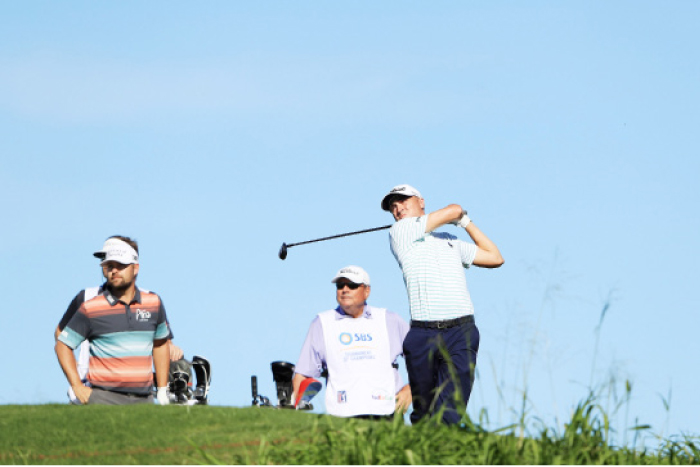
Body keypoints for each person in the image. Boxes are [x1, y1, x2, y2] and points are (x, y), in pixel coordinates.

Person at [381, 184, 504, 425]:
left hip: (461, 332)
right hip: (423, 334)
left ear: (421, 202)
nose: (398, 209)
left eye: (404, 201)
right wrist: (456, 214)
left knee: (450, 412)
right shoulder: (400, 232)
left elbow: (495, 257)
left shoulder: (449, 241)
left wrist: (465, 223)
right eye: (393, 207)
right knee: (424, 415)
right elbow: (453, 209)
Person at [54, 236, 184, 404]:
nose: (112, 270)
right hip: (97, 387)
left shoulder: (152, 301)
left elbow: (160, 342)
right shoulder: (88, 300)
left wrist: (162, 391)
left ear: (134, 267)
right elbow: (62, 338)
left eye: (119, 265)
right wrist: (77, 376)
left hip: (141, 394)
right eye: (107, 264)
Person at [292, 265, 412, 418]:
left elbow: (422, 360)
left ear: (367, 291)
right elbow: (303, 374)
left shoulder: (389, 319)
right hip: (341, 414)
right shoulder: (322, 323)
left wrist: (410, 390)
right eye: (340, 285)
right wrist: (292, 407)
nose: (345, 290)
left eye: (352, 285)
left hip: (386, 411)